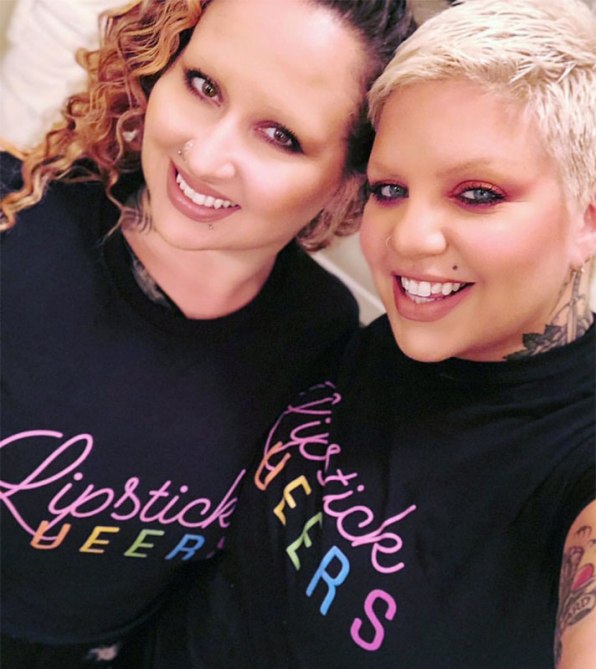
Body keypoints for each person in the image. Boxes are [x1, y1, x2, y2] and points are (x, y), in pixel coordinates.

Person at [148, 0, 596, 667]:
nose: (408, 239)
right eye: (390, 190)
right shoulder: (378, 337)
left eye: (478, 194)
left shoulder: (574, 461)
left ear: (588, 218)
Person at [0, 0, 415, 666]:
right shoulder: (16, 222)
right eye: (204, 85)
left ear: (348, 184)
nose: (205, 155)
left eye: (279, 135)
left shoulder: (323, 334)